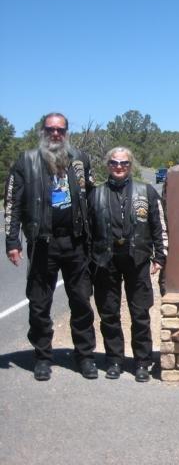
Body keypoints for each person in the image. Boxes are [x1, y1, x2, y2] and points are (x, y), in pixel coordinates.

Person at [4, 112, 98, 381]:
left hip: (76, 241)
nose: (55, 134)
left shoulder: (80, 159)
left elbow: (91, 198)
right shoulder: (26, 161)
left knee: (81, 301)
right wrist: (13, 241)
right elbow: (13, 203)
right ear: (42, 131)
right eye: (50, 129)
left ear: (66, 132)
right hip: (43, 242)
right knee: (39, 303)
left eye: (60, 130)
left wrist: (98, 237)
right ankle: (43, 356)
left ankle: (85, 355)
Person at [88, 147, 167, 382]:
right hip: (105, 261)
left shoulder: (146, 191)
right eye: (114, 162)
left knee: (140, 313)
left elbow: (158, 225)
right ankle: (114, 359)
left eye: (124, 163)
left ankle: (142, 362)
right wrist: (89, 259)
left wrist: (160, 256)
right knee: (109, 313)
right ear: (108, 165)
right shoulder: (95, 194)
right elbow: (87, 231)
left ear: (130, 165)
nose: (119, 167)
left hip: (138, 259)